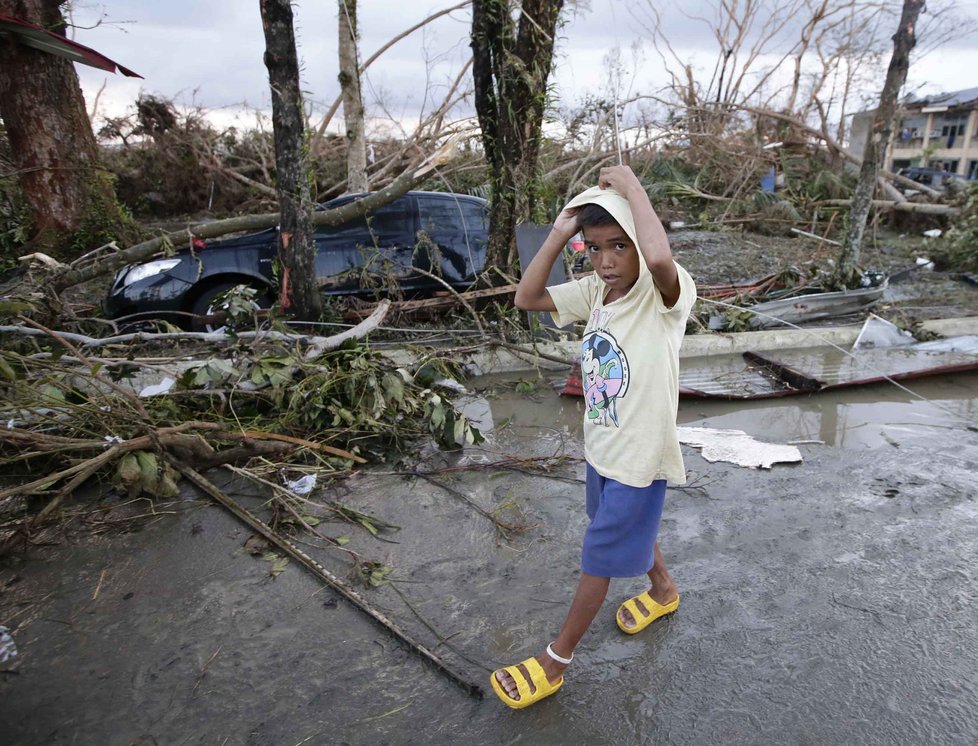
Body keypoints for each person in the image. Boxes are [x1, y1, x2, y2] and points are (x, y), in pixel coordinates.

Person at [490, 165, 696, 709]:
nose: (605, 262)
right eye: (595, 248)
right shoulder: (594, 293)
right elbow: (525, 299)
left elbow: (657, 259)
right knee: (615, 527)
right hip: (602, 449)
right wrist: (560, 234)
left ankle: (555, 662)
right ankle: (664, 590)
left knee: (599, 557)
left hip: (639, 456)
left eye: (618, 248)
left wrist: (634, 187)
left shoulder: (664, 294)